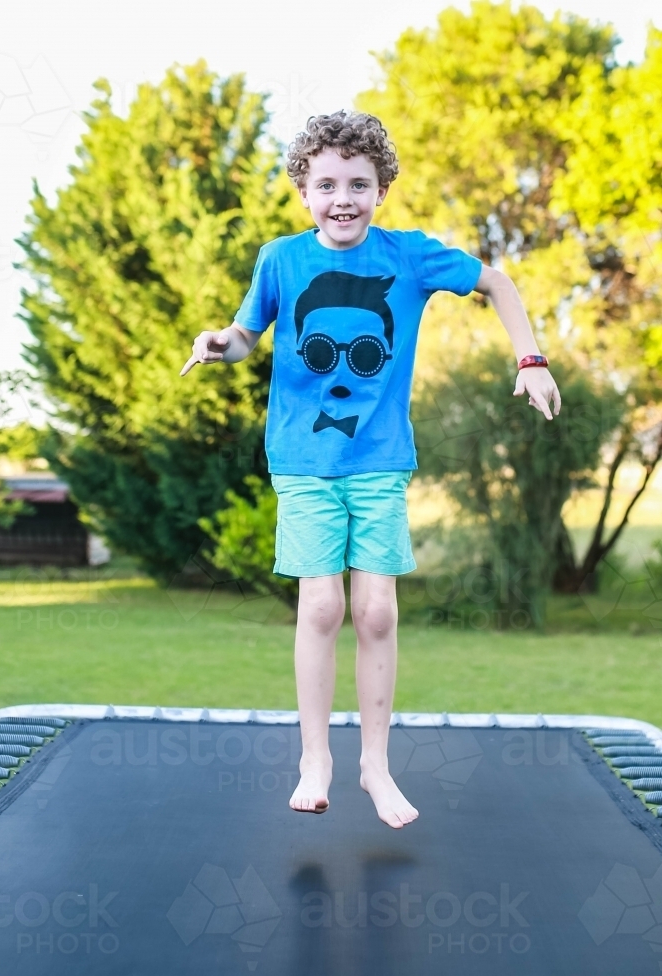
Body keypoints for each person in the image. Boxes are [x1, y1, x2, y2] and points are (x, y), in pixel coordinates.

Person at [180, 111, 561, 829]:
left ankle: (375, 766)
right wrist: (216, 342)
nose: (342, 198)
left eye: (358, 183)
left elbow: (499, 283)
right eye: (326, 184)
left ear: (381, 188)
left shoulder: (408, 256)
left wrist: (530, 360)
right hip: (302, 457)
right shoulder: (280, 259)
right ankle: (315, 758)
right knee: (322, 606)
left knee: (377, 609)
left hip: (379, 458)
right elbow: (244, 336)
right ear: (302, 190)